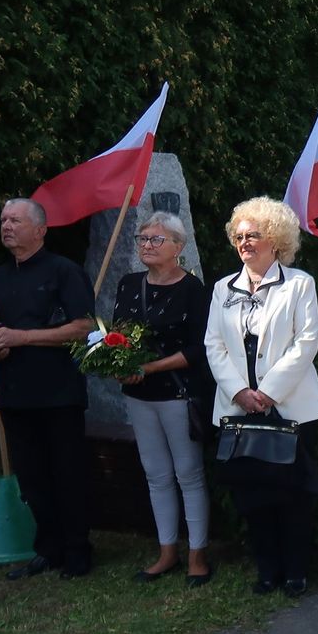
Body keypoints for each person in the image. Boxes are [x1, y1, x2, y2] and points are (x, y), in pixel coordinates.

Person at [204, 197, 318, 597]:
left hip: (291, 409)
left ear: (275, 240)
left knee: (293, 496)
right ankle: (266, 571)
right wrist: (240, 391)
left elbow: (306, 342)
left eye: (252, 235)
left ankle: (296, 572)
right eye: (238, 236)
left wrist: (269, 392)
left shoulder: (300, 284)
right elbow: (213, 345)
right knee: (252, 494)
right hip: (238, 410)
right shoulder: (223, 288)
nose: (244, 242)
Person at [0, 197, 96, 580]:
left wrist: (23, 337)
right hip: (15, 392)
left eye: (15, 219)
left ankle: (78, 552)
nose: (6, 226)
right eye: (3, 220)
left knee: (67, 473)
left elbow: (84, 327)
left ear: (40, 230)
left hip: (58, 392)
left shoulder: (64, 271)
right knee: (32, 477)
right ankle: (49, 549)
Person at [111, 210, 213, 586]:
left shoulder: (193, 289)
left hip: (177, 394)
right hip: (139, 395)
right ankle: (166, 551)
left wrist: (150, 368)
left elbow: (199, 348)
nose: (147, 246)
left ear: (178, 247)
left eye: (156, 240)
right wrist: (114, 359)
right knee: (156, 476)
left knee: (189, 474)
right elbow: (118, 332)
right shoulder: (128, 283)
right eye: (143, 239)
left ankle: (198, 555)